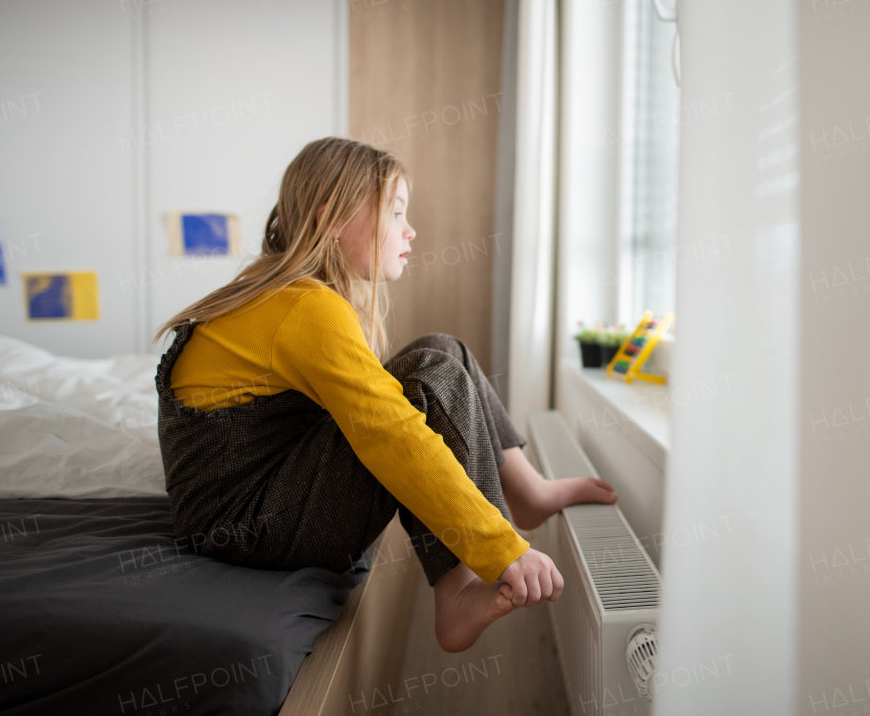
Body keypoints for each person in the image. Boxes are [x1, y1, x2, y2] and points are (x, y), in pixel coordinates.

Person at [153, 137, 617, 652]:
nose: (410, 230)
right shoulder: (304, 308)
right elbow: (391, 433)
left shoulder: (282, 291)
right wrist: (499, 548)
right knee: (420, 392)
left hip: (245, 506)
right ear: (331, 221)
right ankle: (456, 590)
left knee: (443, 352)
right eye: (396, 213)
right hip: (244, 528)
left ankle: (526, 490)